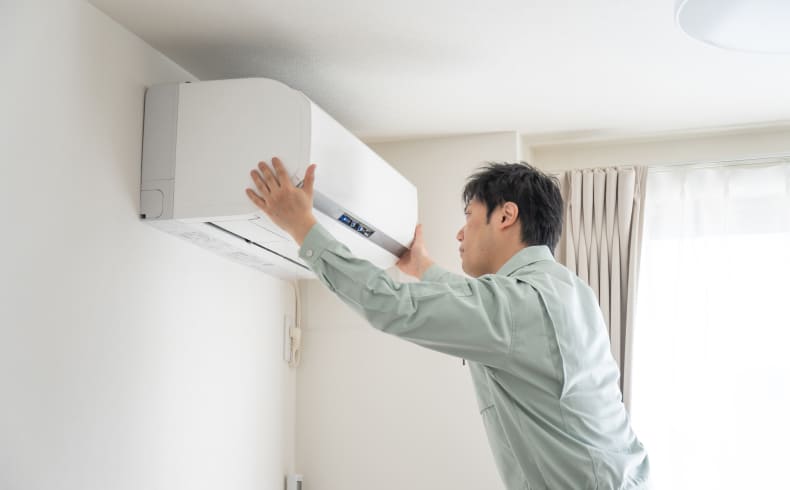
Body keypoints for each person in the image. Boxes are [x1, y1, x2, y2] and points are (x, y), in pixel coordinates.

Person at [246, 157, 650, 490]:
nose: (460, 232)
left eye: (469, 215)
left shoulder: (519, 305)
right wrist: (422, 268)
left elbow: (390, 304)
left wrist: (303, 227)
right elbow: (484, 306)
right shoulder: (568, 292)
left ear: (506, 215)